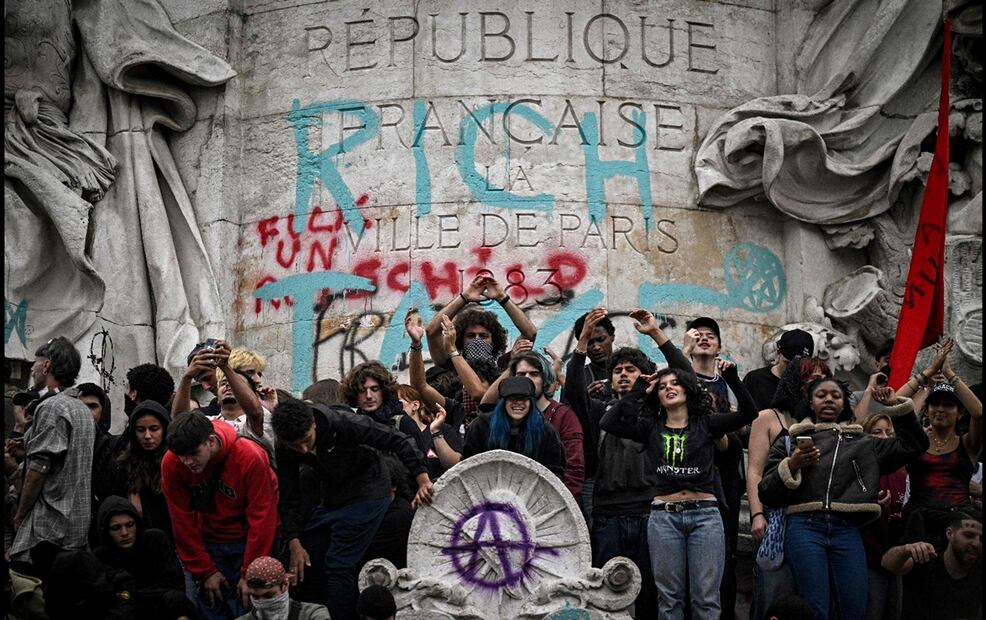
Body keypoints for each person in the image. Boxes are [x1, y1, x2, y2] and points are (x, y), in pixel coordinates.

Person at [600, 356, 758, 620]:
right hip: (664, 517)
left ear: (687, 389)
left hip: (705, 516)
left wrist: (732, 378)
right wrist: (640, 388)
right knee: (669, 599)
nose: (669, 388)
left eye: (675, 383)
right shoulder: (650, 427)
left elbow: (748, 413)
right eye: (662, 387)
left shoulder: (707, 423)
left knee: (706, 599)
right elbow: (609, 423)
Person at [759, 377, 929, 620]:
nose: (829, 399)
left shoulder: (865, 443)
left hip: (846, 530)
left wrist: (896, 406)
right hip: (804, 528)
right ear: (810, 402)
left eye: (836, 396)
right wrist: (793, 463)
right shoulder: (791, 442)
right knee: (815, 609)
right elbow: (765, 491)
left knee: (855, 607)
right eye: (821, 395)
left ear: (844, 404)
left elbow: (915, 444)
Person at [565, 308, 686, 619]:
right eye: (617, 370)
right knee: (607, 594)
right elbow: (572, 393)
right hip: (607, 515)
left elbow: (685, 375)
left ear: (645, 377)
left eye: (630, 369)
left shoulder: (660, 413)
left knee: (651, 593)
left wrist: (656, 335)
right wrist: (581, 342)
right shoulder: (598, 412)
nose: (622, 374)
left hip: (651, 513)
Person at [271, 398, 432, 620]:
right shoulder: (286, 446)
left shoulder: (342, 423)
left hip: (369, 491)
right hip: (333, 496)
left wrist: (422, 479)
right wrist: (294, 541)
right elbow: (289, 495)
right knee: (308, 551)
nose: (304, 449)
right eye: (295, 446)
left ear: (314, 424)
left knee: (339, 563)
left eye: (306, 440)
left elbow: (398, 439)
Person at [161, 411, 280, 620]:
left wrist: (250, 574)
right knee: (211, 602)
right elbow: (181, 521)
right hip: (209, 543)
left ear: (211, 441)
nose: (187, 462)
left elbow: (263, 518)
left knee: (248, 605)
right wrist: (205, 570)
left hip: (247, 542)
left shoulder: (249, 456)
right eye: (182, 455)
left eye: (193, 453)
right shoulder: (172, 462)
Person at [746, 356, 831, 619]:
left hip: (815, 522)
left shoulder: (827, 422)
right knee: (774, 596)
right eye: (810, 378)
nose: (817, 385)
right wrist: (757, 514)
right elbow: (755, 470)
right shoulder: (768, 418)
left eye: (822, 379)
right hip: (777, 519)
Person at [10, 336, 95, 581]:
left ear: (47, 366)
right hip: (75, 527)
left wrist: (20, 513)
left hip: (48, 529)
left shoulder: (51, 407)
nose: (33, 369)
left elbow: (39, 469)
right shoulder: (80, 409)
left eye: (35, 364)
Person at [480, 350, 585, 500]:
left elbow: (573, 471)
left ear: (545, 379)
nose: (527, 380)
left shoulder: (563, 417)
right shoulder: (492, 422)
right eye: (521, 375)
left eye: (534, 374)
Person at [902, 364, 982, 548]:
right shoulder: (915, 442)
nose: (940, 409)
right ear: (926, 410)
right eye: (935, 403)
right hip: (917, 525)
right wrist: (928, 372)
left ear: (961, 413)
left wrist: (948, 372)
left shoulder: (968, 444)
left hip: (956, 528)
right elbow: (897, 403)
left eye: (948, 404)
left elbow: (979, 414)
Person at [92, 495, 196, 620]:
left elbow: (173, 583)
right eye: (116, 528)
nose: (124, 533)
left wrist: (133, 594)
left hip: (158, 606)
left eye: (129, 525)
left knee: (176, 601)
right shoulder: (99, 557)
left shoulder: (155, 540)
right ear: (106, 531)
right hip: (125, 612)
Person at [881, 512, 981, 620]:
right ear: (949, 533)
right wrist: (906, 550)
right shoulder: (927, 559)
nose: (976, 544)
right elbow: (887, 563)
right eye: (969, 535)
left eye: (982, 539)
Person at [461, 376, 566, 478]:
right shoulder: (481, 427)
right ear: (503, 402)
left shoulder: (545, 431)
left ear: (531, 402)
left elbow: (554, 474)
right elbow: (467, 466)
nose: (518, 403)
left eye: (524, 399)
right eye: (512, 399)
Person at [425, 274, 537, 369]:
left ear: (494, 340)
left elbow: (529, 334)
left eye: (483, 336)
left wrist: (502, 297)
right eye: (471, 336)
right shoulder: (452, 364)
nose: (477, 340)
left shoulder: (504, 365)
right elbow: (432, 332)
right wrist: (465, 297)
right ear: (461, 340)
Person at [860, 412, 908, 620]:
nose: (885, 436)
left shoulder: (902, 471)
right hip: (869, 560)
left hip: (895, 559)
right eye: (877, 432)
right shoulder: (860, 467)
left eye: (889, 432)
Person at [110, 400, 175, 539]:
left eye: (154, 429)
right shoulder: (124, 465)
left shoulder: (175, 463)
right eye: (141, 430)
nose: (147, 436)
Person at [396, 384, 462, 480]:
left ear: (415, 405)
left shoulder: (443, 429)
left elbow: (455, 465)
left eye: (398, 402)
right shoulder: (391, 436)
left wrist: (435, 432)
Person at [235, 556, 329, 620]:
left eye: (268, 595)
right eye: (255, 597)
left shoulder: (313, 614)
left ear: (285, 585)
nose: (261, 602)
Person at [743, 328, 815, 411]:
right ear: (778, 352)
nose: (792, 370)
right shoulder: (754, 379)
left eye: (799, 366)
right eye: (788, 363)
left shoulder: (809, 385)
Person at [341, 361, 406, 427]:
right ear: (354, 394)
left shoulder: (403, 424)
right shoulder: (351, 427)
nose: (368, 396)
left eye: (374, 389)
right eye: (362, 390)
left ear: (384, 390)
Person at [571, 310, 616, 401]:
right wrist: (586, 400)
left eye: (601, 339)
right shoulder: (579, 378)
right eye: (589, 343)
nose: (596, 347)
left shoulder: (629, 372)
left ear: (612, 337)